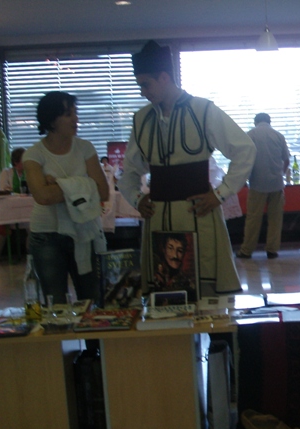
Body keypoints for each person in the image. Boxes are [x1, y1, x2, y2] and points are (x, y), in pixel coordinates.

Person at [118, 40, 256, 296]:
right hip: (158, 220)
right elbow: (129, 171)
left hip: (199, 215)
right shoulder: (142, 119)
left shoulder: (203, 110)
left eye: (145, 84)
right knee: (164, 292)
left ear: (163, 78)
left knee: (207, 291)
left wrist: (220, 194)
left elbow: (245, 150)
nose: (142, 92)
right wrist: (137, 199)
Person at [22, 91, 110, 304]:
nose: (75, 119)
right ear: (52, 120)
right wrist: (83, 185)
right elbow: (42, 196)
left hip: (84, 232)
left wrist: (58, 184)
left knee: (92, 301)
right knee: (55, 303)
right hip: (47, 235)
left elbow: (103, 191)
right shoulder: (34, 154)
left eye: (75, 113)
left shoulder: (85, 148)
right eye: (68, 114)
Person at [237, 113, 290, 259]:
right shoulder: (279, 136)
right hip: (276, 184)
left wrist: (244, 179)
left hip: (257, 184)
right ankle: (272, 250)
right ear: (269, 121)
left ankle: (247, 250)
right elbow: (286, 160)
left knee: (253, 219)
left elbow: (245, 160)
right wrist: (280, 174)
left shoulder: (250, 135)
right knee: (275, 219)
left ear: (255, 122)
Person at [0, 147, 27, 263]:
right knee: (2, 222)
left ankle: (31, 250)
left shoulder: (30, 173)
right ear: (16, 162)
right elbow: (3, 190)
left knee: (33, 221)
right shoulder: (6, 173)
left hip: (24, 207)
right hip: (9, 208)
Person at [153, 233, 196, 299]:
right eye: (170, 248)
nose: (175, 255)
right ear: (164, 249)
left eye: (180, 251)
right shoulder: (155, 276)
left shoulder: (186, 281)